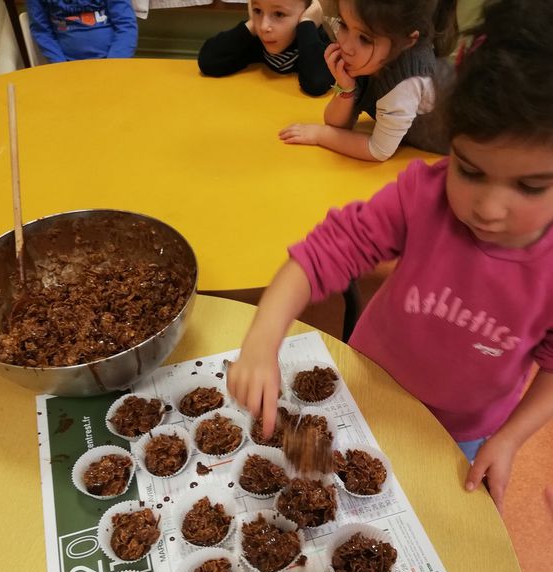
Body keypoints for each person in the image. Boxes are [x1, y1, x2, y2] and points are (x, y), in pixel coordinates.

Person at [227, 0, 553, 511]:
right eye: (468, 170)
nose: (488, 208)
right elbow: (318, 256)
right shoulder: (422, 196)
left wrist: (510, 438)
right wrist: (262, 339)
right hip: (365, 390)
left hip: (464, 430)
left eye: (531, 186)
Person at [279, 0, 457, 160]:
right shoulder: (372, 57)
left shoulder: (406, 83)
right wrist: (345, 88)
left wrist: (320, 135)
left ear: (406, 42)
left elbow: (378, 150)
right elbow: (336, 124)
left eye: (364, 39)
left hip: (458, 151)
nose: (346, 47)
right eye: (343, 24)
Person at [197, 0, 334, 97]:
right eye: (257, 10)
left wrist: (306, 23)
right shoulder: (256, 38)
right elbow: (208, 62)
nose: (263, 26)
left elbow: (317, 84)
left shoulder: (314, 40)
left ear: (308, 12)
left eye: (279, 14)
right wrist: (251, 25)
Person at [27, 0, 138, 63]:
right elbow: (41, 30)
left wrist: (113, 64)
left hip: (112, 61)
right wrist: (60, 64)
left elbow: (126, 25)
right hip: (66, 64)